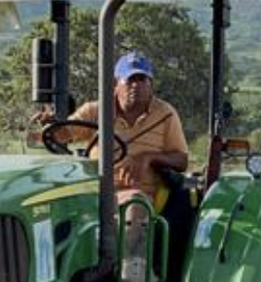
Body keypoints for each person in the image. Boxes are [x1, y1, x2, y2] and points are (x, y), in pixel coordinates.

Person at [55, 52, 189, 202]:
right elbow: (60, 135)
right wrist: (50, 123)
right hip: (94, 193)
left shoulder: (165, 114)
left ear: (150, 84)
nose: (136, 85)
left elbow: (181, 161)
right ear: (115, 84)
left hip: (140, 194)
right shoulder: (94, 111)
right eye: (130, 79)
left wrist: (148, 158)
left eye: (142, 79)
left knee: (133, 206)